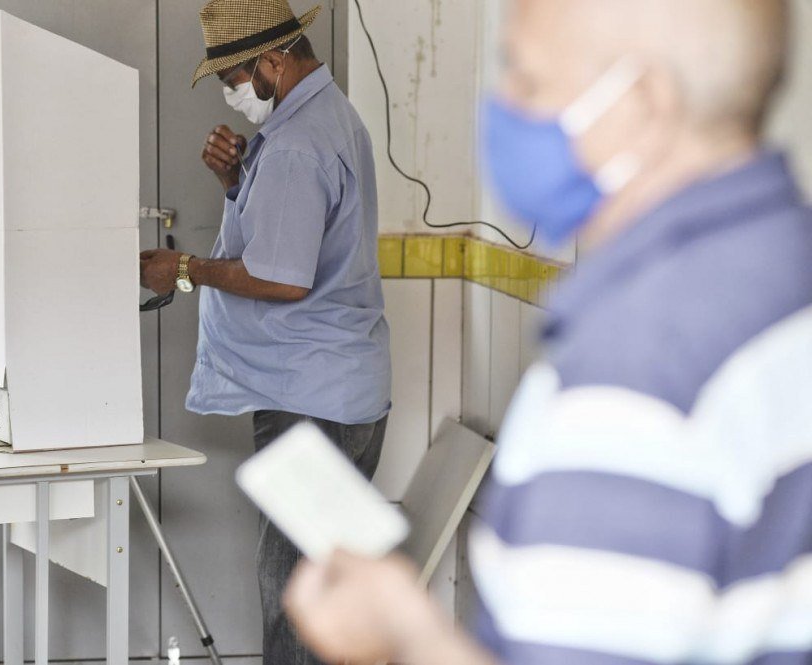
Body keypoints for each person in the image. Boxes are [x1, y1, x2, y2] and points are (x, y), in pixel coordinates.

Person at [284, 0, 812, 663]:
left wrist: (405, 637)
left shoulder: (631, 380)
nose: (503, 108)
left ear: (641, 101)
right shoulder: (786, 272)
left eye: (528, 82)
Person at [139, 1, 391, 663]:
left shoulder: (298, 145)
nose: (230, 94)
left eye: (234, 78)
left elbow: (283, 278)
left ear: (274, 64)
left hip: (312, 403)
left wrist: (184, 268)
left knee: (294, 597)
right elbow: (295, 242)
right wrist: (234, 183)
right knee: (319, 586)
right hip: (340, 390)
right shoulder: (327, 120)